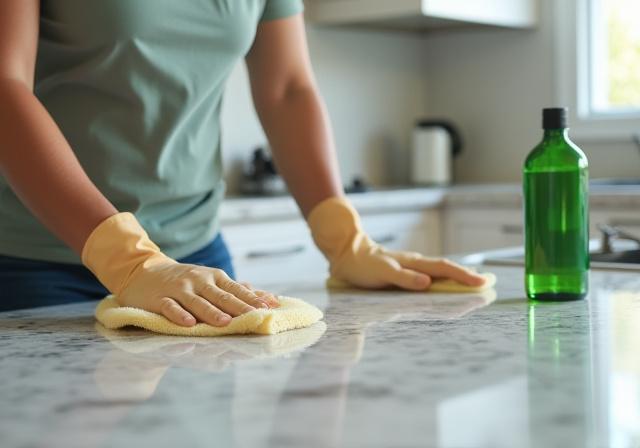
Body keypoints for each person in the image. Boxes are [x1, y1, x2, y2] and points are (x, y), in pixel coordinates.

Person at [0, 0, 486, 324]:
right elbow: (6, 84)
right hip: (38, 261)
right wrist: (128, 261)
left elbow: (288, 89)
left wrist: (344, 240)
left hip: (198, 254)